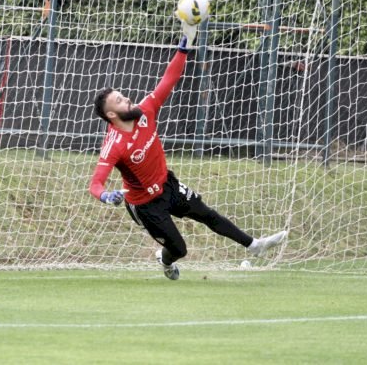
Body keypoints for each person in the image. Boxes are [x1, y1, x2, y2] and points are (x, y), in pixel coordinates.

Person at [88, 19, 287, 280]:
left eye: (123, 95)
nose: (127, 98)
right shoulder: (113, 145)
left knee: (207, 214)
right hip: (146, 205)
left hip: (167, 184)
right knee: (179, 249)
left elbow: (168, 79)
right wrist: (106, 196)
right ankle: (165, 260)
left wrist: (184, 47)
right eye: (119, 100)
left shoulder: (145, 111)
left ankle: (254, 246)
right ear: (112, 114)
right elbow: (95, 184)